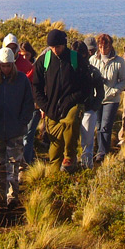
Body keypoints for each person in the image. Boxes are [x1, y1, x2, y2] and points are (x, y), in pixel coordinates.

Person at [32, 29, 90, 174]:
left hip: (72, 104)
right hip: (52, 108)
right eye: (52, 47)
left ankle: (70, 156)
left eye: (57, 46)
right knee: (55, 147)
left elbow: (86, 86)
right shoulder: (43, 61)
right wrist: (46, 107)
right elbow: (36, 87)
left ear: (64, 44)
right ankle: (55, 176)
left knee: (70, 123)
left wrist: (70, 101)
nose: (55, 50)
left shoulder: (76, 59)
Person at [0, 47, 34, 205]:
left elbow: (28, 104)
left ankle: (12, 197)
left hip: (16, 132)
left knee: (13, 165)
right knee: (1, 166)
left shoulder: (22, 80)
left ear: (13, 64)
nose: (5, 68)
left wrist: (22, 123)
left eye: (8, 65)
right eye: (3, 65)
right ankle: (0, 196)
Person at [89, 33, 125, 163]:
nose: (103, 49)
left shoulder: (119, 61)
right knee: (98, 125)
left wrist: (114, 91)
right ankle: (100, 148)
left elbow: (124, 80)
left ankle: (103, 152)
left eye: (105, 47)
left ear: (110, 46)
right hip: (97, 98)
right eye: (100, 46)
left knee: (106, 126)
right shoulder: (93, 60)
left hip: (111, 99)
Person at [73, 40, 105, 168]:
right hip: (72, 110)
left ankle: (87, 166)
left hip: (88, 109)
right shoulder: (68, 71)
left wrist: (94, 107)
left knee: (87, 142)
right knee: (71, 141)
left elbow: (100, 91)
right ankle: (73, 165)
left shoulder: (92, 71)